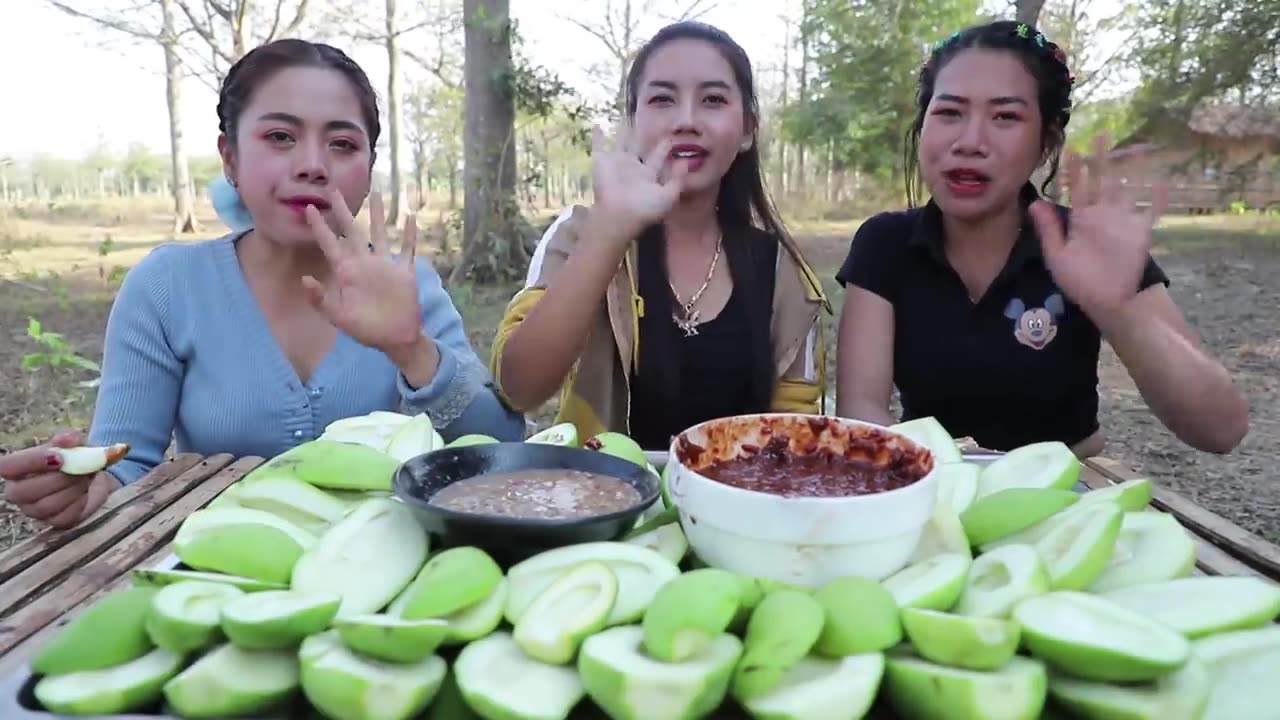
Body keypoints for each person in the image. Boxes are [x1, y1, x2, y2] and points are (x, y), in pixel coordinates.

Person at [0, 39, 524, 529]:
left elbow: (498, 449)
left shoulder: (409, 285)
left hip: (384, 572)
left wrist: (411, 350)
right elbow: (126, 465)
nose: (313, 165)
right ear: (230, 158)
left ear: (367, 169)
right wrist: (85, 489)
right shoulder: (167, 288)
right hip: (214, 574)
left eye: (342, 144)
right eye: (280, 137)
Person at [834, 20, 1248, 458]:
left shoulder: (1088, 245)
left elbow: (1222, 430)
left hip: (1067, 493)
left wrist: (1119, 310)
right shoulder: (884, 244)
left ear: (1045, 144)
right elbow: (862, 416)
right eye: (949, 112)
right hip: (932, 485)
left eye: (1006, 117)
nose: (970, 141)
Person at [489, 21, 831, 452]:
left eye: (712, 100)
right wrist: (609, 233)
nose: (686, 121)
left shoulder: (784, 273)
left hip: (740, 507)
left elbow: (800, 435)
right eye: (662, 99)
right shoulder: (578, 235)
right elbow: (519, 388)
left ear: (747, 129)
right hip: (606, 505)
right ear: (632, 122)